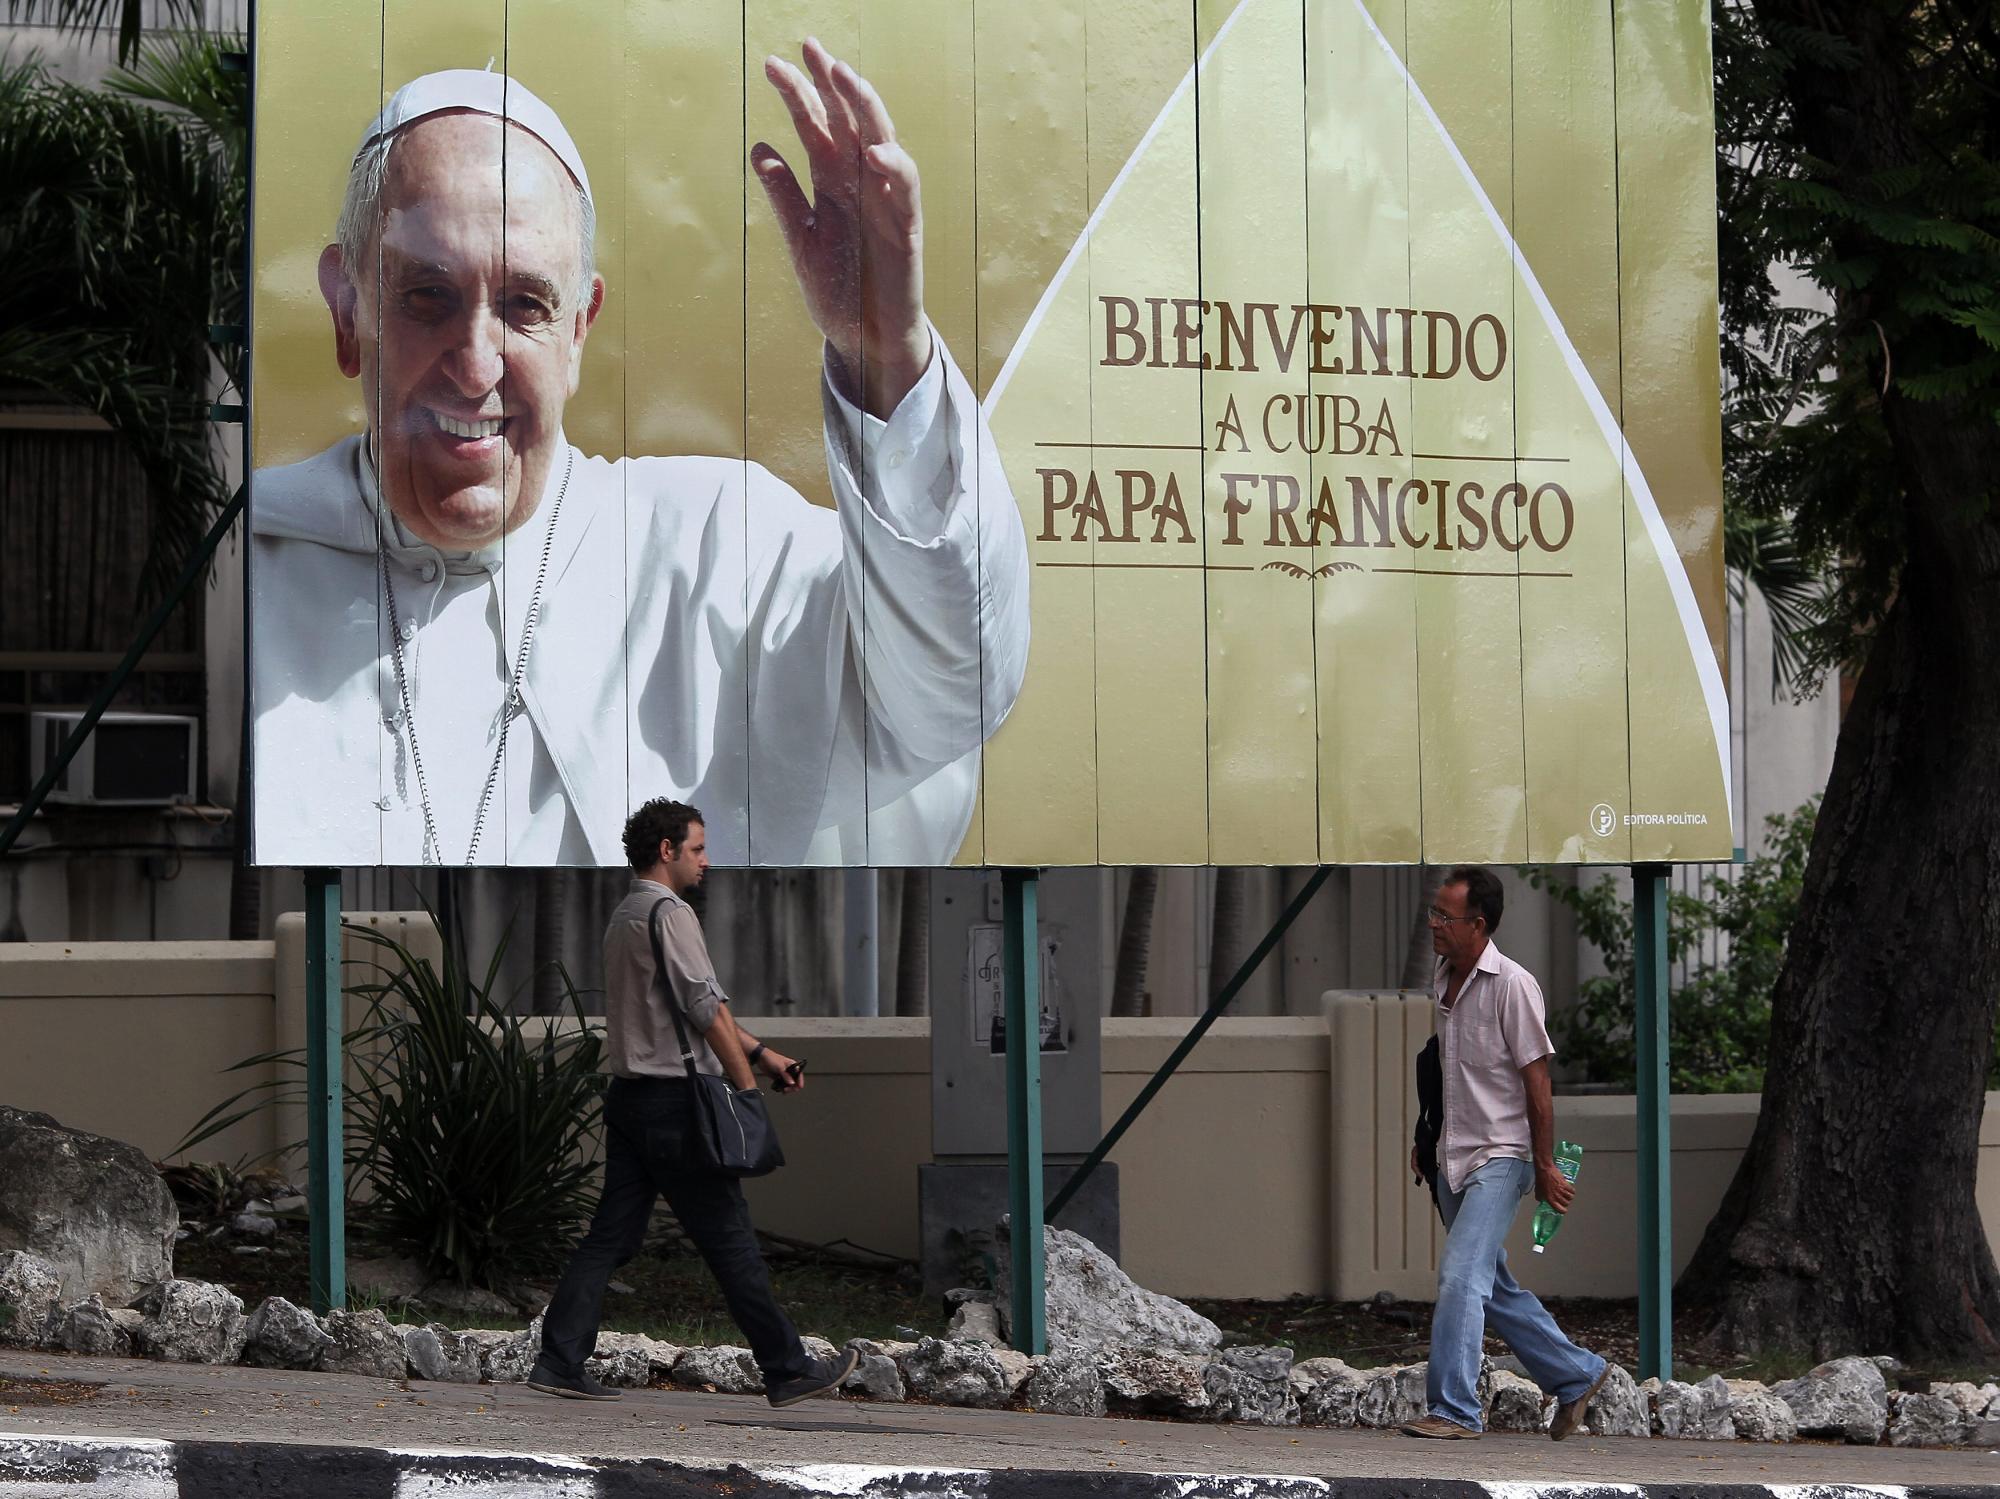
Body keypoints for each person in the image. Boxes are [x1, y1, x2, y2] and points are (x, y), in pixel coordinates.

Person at [249, 44, 1029, 869]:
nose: (476, 364)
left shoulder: (717, 552)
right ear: (347, 313)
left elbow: (956, 685)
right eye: (426, 297)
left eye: (525, 304)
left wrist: (888, 358)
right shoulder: (249, 565)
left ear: (579, 329)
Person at [530, 797, 857, 1405]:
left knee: (611, 1237)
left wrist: (762, 1053)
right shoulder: (670, 913)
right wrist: (748, 1087)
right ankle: (787, 1368)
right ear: (667, 851)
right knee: (729, 1240)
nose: (707, 860)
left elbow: (686, 1008)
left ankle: (559, 1359)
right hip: (676, 1109)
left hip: (631, 1099)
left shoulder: (627, 913)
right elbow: (707, 1010)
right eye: (699, 848)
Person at [1400, 866, 1609, 1441]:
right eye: (1434, 912)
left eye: (1446, 916)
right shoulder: (1442, 978)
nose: (1435, 924)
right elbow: (1442, 1071)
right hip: (1452, 1156)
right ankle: (1576, 1374)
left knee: (1460, 1278)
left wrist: (1542, 1166)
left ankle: (1454, 1411)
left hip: (1502, 1154)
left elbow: (1538, 1086)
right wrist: (1428, 1140)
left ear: (1480, 924)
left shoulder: (1513, 985)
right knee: (1492, 1287)